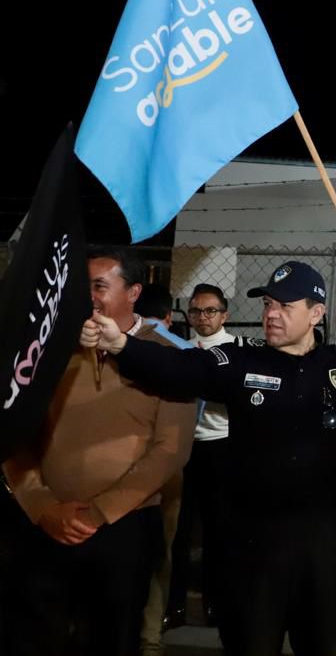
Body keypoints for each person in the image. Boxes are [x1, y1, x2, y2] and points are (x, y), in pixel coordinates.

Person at [80, 260, 336, 656]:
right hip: (255, 533)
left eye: (285, 306)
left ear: (316, 313)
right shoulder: (242, 361)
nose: (271, 314)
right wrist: (122, 345)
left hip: (324, 532)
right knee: (251, 639)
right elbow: (179, 367)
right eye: (268, 304)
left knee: (324, 640)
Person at [3, 248, 197, 656]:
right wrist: (41, 506)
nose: (87, 295)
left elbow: (170, 450)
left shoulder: (169, 358)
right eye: (81, 285)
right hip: (46, 526)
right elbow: (13, 435)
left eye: (99, 285)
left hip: (124, 529)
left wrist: (99, 513)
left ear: (133, 293)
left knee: (112, 639)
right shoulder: (42, 351)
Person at [166, 283, 240, 631]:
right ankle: (175, 605)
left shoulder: (236, 351)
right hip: (184, 447)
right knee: (179, 530)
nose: (203, 317)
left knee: (218, 530)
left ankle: (216, 605)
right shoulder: (182, 348)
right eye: (196, 310)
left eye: (211, 310)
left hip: (221, 447)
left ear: (224, 315)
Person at [134, 283, 196, 656]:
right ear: (169, 316)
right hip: (169, 465)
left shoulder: (117, 345)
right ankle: (150, 637)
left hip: (124, 463)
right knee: (162, 552)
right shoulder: (184, 352)